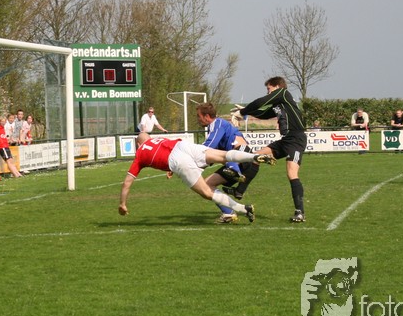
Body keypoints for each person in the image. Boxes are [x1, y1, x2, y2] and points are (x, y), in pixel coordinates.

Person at [117, 132, 262, 221]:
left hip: (176, 160)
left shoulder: (140, 153)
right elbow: (170, 148)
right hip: (183, 147)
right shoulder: (159, 139)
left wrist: (122, 204)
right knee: (223, 156)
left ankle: (245, 209)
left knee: (207, 192)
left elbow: (127, 183)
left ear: (138, 144)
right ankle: (253, 157)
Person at [238, 77, 309, 223]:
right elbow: (263, 113)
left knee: (291, 173)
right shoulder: (279, 104)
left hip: (296, 139)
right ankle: (239, 190)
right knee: (255, 157)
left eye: (269, 89)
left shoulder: (283, 93)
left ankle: (300, 213)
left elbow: (261, 102)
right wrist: (245, 112)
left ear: (277, 87)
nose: (268, 92)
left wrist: (243, 111)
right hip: (286, 140)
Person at [196, 102, 272, 224]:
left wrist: (189, 156)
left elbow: (209, 146)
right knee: (206, 185)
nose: (197, 119)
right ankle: (229, 213)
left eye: (198, 116)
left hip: (241, 155)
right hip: (241, 161)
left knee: (230, 155)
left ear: (206, 116)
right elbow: (212, 155)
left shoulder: (217, 123)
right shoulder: (215, 127)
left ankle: (235, 171)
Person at [0, 113, 24, 177]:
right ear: (0, 121)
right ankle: (16, 175)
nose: (3, 122)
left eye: (4, 121)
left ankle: (18, 174)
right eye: (2, 121)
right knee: (8, 161)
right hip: (2, 147)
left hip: (6, 145)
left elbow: (4, 137)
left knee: (11, 161)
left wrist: (8, 140)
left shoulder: (3, 128)